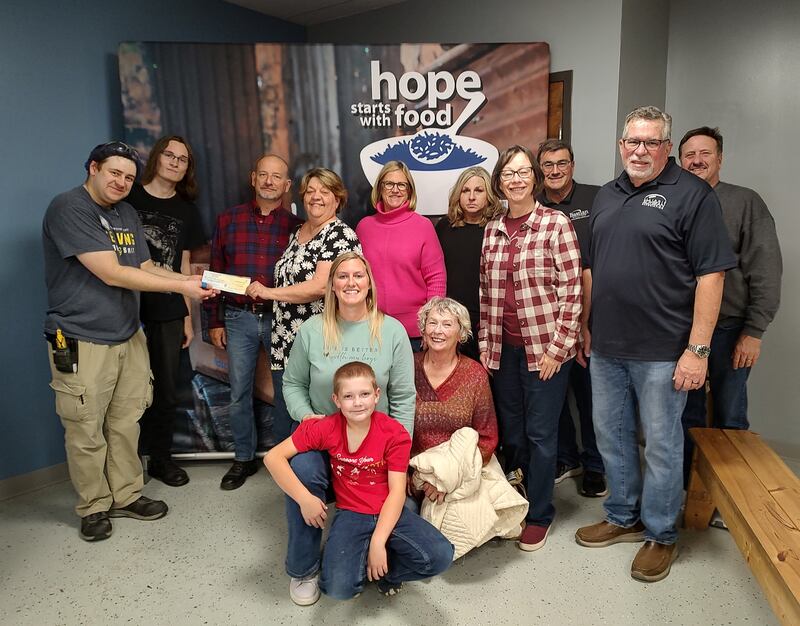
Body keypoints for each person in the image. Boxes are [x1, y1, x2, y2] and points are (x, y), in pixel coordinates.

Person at [575, 107, 736, 582]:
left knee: (662, 446)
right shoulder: (607, 195)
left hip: (664, 352)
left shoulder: (692, 196)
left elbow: (712, 275)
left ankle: (662, 535)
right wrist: (586, 325)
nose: (639, 151)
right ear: (620, 144)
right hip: (606, 347)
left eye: (651, 142)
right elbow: (592, 270)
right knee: (612, 437)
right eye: (632, 142)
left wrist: (699, 350)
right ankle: (624, 516)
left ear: (667, 148)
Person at [42, 141, 217, 541]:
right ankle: (94, 506)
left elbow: (144, 265)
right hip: (82, 337)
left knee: (125, 421)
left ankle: (125, 495)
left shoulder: (124, 213)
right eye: (114, 173)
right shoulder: (70, 208)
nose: (121, 182)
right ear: (93, 168)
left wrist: (188, 283)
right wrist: (183, 285)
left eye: (128, 177)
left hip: (127, 333)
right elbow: (112, 273)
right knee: (86, 427)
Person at [279, 251, 416, 604]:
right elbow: (292, 384)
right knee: (303, 471)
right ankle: (303, 568)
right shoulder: (312, 330)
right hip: (324, 441)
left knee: (403, 505)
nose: (351, 282)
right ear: (332, 286)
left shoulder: (391, 330)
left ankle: (383, 559)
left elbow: (402, 396)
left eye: (358, 275)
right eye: (343, 277)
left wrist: (399, 451)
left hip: (375, 448)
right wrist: (307, 416)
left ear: (369, 283)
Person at [265, 361, 453, 604]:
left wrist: (377, 542)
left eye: (364, 394)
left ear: (376, 396)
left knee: (440, 556)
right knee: (338, 588)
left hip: (388, 510)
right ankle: (362, 561)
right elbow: (273, 457)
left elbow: (397, 491)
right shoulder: (325, 427)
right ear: (336, 400)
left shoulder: (394, 433)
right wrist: (305, 499)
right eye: (348, 396)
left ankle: (387, 571)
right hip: (351, 514)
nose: (357, 402)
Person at [479, 145, 582, 552]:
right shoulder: (493, 228)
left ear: (534, 179)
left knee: (541, 435)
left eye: (524, 172)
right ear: (499, 181)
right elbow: (486, 292)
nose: (516, 179)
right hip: (503, 351)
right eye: (509, 173)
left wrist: (559, 349)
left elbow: (572, 291)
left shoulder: (556, 224)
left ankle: (539, 514)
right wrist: (487, 346)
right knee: (513, 431)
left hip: (545, 352)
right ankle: (515, 501)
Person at [678, 126, 782, 485]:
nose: (697, 160)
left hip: (728, 328)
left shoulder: (745, 202)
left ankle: (729, 493)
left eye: (705, 153)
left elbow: (766, 269)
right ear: (679, 160)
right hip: (679, 329)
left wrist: (754, 332)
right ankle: (689, 491)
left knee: (729, 416)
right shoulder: (673, 201)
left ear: (720, 158)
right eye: (689, 154)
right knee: (685, 415)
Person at [205, 155, 302, 490]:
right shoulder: (228, 220)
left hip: (281, 319)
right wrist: (214, 320)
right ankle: (243, 458)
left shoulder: (297, 227)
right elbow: (215, 274)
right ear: (253, 177)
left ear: (287, 185)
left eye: (277, 177)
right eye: (263, 174)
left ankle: (284, 461)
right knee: (238, 393)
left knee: (286, 393)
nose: (269, 181)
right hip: (238, 317)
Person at [245, 168, 360, 441]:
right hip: (285, 341)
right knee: (286, 415)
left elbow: (321, 286)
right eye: (310, 191)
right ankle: (290, 480)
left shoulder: (340, 235)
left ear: (337, 199)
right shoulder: (296, 233)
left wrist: (268, 293)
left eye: (325, 191)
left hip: (320, 345)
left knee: (315, 420)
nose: (316, 197)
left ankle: (313, 480)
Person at [127, 135, 206, 487]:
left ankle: (160, 459)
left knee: (167, 390)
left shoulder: (186, 210)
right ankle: (124, 467)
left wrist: (187, 315)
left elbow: (185, 265)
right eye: (169, 155)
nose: (175, 162)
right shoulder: (128, 198)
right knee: (125, 390)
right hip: (125, 305)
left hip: (169, 308)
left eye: (183, 159)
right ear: (157, 158)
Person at [535, 139, 606, 498]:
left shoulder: (597, 198)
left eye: (561, 163)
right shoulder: (534, 205)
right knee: (555, 398)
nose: (555, 171)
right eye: (547, 165)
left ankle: (596, 464)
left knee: (591, 396)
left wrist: (584, 325)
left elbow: (589, 269)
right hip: (549, 324)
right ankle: (567, 458)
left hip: (591, 317)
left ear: (573, 165)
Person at [411, 296, 498, 503]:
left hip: (462, 470)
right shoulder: (407, 367)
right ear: (423, 330)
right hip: (417, 473)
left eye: (447, 324)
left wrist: (450, 478)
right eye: (432, 323)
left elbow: (487, 438)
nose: (437, 330)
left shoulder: (474, 374)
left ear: (461, 334)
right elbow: (392, 427)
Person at [356, 160, 446, 350]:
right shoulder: (364, 227)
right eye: (389, 184)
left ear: (409, 190)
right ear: (380, 188)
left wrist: (430, 326)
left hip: (413, 334)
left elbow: (436, 279)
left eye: (401, 185)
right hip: (372, 329)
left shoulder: (423, 227)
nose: (395, 190)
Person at [435, 167, 502, 360]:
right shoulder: (445, 226)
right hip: (451, 320)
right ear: (458, 194)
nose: (471, 197)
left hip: (487, 322)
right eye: (466, 191)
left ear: (488, 194)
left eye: (478, 191)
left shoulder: (497, 228)